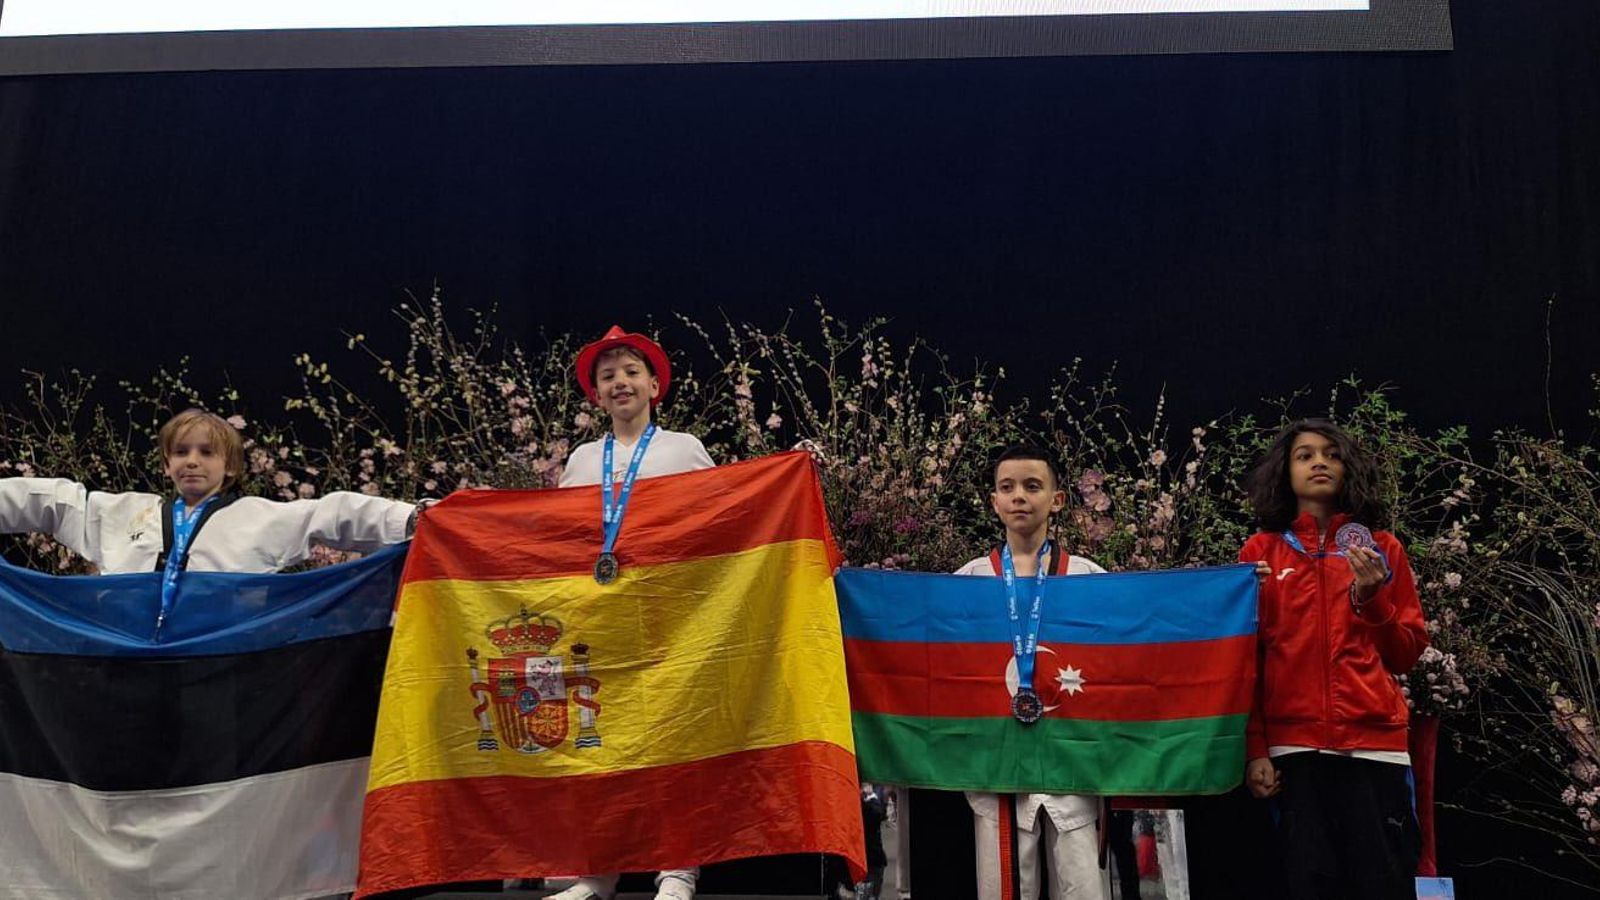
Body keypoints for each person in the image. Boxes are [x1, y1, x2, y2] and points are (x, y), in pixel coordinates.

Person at [547, 325, 713, 900]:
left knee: (674, 741)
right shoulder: (583, 458)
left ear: (654, 385)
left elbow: (724, 517)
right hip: (600, 621)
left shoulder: (682, 449)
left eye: (630, 372)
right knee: (600, 743)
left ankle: (677, 869)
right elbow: (560, 535)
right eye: (608, 376)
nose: (620, 382)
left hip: (672, 616)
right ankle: (598, 871)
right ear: (596, 394)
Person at [1238, 419, 1427, 900]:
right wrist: (1256, 747)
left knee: (1384, 883)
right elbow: (1246, 662)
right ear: (1286, 472)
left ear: (1348, 468)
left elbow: (1405, 654)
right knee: (1308, 885)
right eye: (1304, 455)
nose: (1319, 462)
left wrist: (1372, 598)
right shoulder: (1260, 552)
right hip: (1293, 751)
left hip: (1374, 746)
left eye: (1331, 454)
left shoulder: (1382, 549)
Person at [954, 445, 1108, 900]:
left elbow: (1120, 663)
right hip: (996, 763)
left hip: (1072, 760)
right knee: (1000, 886)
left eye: (1032, 486)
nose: (1019, 496)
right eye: (1007, 487)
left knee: (1083, 886)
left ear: (1057, 499)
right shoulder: (967, 580)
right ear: (994, 502)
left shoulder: (1087, 577)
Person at [0, 406, 416, 574]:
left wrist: (414, 519)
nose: (192, 460)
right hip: (126, 670)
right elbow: (52, 502)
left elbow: (332, 512)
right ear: (166, 464)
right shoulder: (124, 513)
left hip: (221, 672)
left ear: (230, 465)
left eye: (206, 452)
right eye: (180, 452)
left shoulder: (258, 517)